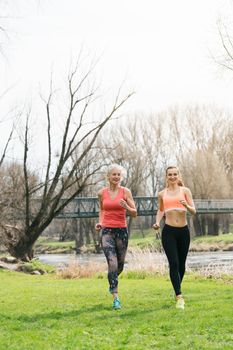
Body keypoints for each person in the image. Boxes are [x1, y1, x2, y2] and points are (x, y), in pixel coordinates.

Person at [153, 166, 196, 309]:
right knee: (174, 263)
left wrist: (186, 205)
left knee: (182, 265)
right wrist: (157, 222)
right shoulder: (162, 194)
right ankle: (179, 296)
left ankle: (177, 289)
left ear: (179, 175)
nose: (172, 177)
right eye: (170, 174)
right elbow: (160, 210)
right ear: (166, 176)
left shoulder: (185, 191)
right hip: (169, 231)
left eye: (175, 174)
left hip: (183, 231)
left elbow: (194, 211)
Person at [95, 164, 137, 310]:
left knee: (119, 265)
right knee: (112, 263)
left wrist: (126, 206)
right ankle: (116, 297)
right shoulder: (101, 193)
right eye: (114, 174)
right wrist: (100, 222)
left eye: (119, 175)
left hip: (121, 231)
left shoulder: (126, 192)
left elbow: (134, 213)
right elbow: (101, 209)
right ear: (108, 176)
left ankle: (112, 279)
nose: (116, 177)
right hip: (107, 231)